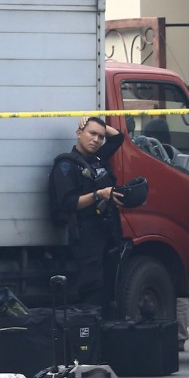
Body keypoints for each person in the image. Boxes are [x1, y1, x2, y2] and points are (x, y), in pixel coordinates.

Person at [49, 116, 124, 311]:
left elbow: (118, 139)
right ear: (79, 133)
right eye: (92, 133)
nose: (97, 140)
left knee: (109, 294)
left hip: (106, 238)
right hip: (85, 240)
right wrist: (99, 194)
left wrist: (101, 126)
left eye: (100, 136)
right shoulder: (66, 165)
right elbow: (67, 202)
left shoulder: (98, 160)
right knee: (93, 294)